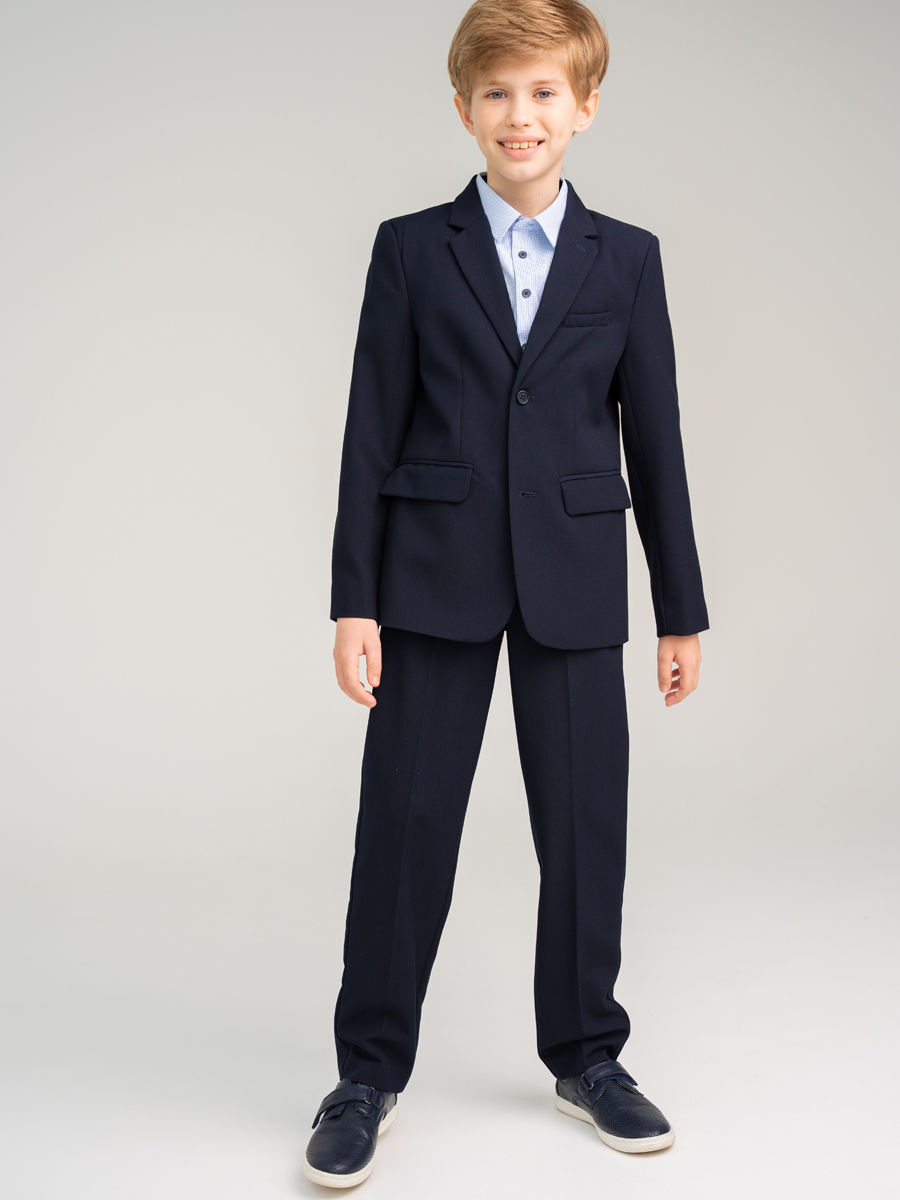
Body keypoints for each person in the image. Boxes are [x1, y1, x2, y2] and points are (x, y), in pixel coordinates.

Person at [303, 0, 709, 1186]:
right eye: (497, 94)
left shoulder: (627, 258)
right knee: (405, 827)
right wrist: (353, 599)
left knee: (585, 828)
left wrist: (680, 609)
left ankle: (588, 1055)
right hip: (432, 578)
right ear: (463, 108)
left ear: (584, 107)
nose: (519, 116)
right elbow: (369, 429)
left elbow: (658, 440)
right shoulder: (409, 249)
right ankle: (366, 1073)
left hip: (576, 576)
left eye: (543, 94)